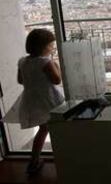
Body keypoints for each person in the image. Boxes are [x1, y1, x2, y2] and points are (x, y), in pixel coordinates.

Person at [17, 29, 64, 174]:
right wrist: (56, 65)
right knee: (58, 127)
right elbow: (57, 80)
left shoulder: (22, 61)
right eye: (51, 45)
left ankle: (34, 160)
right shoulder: (46, 62)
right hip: (49, 100)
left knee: (43, 130)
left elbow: (20, 80)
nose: (53, 48)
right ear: (43, 47)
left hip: (33, 100)